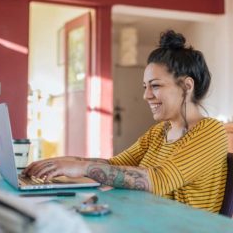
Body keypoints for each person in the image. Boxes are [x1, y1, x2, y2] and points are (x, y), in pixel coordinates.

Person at [23, 30, 228, 213]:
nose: (146, 96)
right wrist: (60, 163)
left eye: (155, 86)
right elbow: (114, 165)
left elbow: (160, 180)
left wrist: (82, 168)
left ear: (186, 85)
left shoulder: (211, 131)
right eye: (145, 87)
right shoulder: (158, 133)